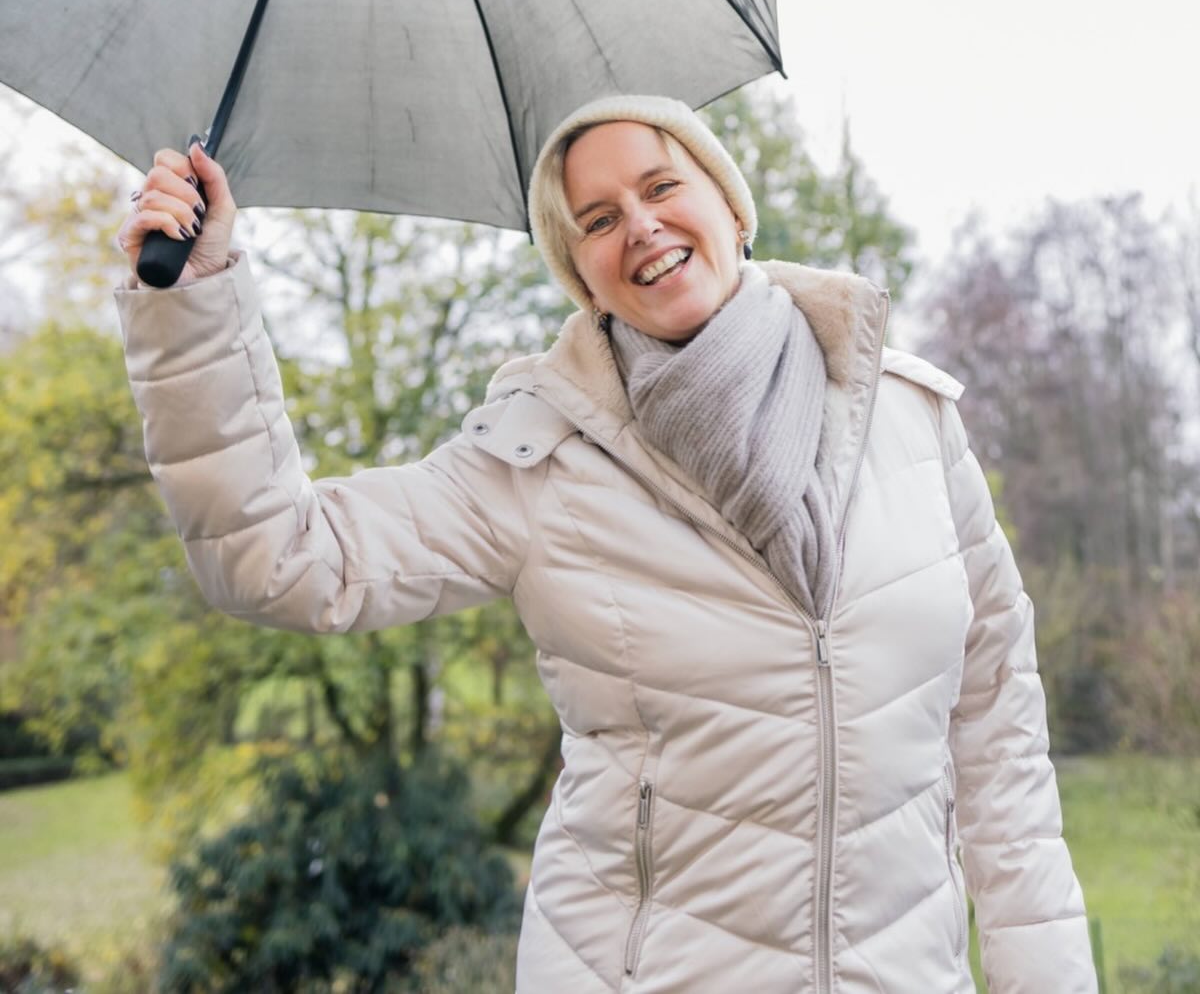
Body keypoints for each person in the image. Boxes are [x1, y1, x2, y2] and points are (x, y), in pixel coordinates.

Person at [115, 93, 1097, 994]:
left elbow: (1000, 745)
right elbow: (278, 560)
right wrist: (195, 304)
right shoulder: (539, 461)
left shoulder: (911, 420)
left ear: (732, 205)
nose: (642, 227)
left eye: (663, 186)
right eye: (597, 220)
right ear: (581, 272)